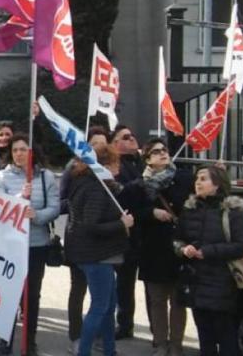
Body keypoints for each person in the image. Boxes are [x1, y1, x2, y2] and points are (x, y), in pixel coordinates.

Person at [0, 134, 60, 356]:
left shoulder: (46, 177)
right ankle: (6, 341)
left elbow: (55, 208)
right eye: (15, 150)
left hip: (36, 244)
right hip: (11, 244)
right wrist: (21, 197)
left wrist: (36, 215)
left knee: (32, 295)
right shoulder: (2, 176)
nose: (19, 154)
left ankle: (29, 342)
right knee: (9, 294)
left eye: (23, 149)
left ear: (32, 152)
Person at [64, 146, 134, 356]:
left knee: (108, 305)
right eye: (115, 163)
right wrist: (122, 224)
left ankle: (109, 350)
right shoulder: (96, 188)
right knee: (100, 307)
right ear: (104, 165)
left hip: (96, 254)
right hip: (96, 256)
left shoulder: (89, 184)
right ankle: (84, 351)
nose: (118, 167)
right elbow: (91, 225)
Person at [175, 166, 243, 356]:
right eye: (197, 179)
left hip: (221, 281)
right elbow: (176, 239)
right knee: (204, 336)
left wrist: (208, 252)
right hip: (195, 281)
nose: (198, 183)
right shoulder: (189, 209)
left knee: (225, 336)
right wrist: (183, 248)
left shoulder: (231, 212)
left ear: (217, 185)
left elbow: (241, 245)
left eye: (204, 179)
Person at [138, 138, 191, 356]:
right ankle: (160, 342)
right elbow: (132, 210)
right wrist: (151, 213)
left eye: (164, 150)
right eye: (156, 152)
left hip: (178, 247)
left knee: (178, 301)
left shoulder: (183, 177)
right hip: (153, 249)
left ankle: (176, 344)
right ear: (148, 160)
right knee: (157, 300)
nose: (162, 154)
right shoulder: (140, 184)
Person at [64, 126, 111, 349]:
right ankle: (77, 337)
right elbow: (64, 201)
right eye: (94, 144)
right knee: (81, 290)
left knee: (103, 298)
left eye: (103, 144)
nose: (98, 148)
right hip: (81, 242)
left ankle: (100, 337)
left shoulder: (107, 176)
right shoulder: (76, 172)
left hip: (101, 246)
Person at [110, 124, 143, 340]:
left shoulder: (141, 162)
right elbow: (119, 195)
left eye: (133, 136)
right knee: (123, 282)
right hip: (123, 232)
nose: (132, 140)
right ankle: (124, 323)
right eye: (126, 137)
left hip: (146, 232)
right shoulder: (115, 167)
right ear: (115, 144)